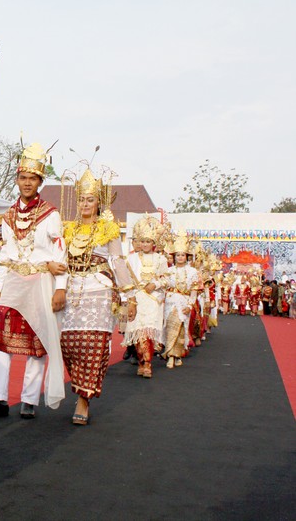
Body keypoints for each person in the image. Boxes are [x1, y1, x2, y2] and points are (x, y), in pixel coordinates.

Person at [0, 143, 66, 419]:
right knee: (2, 342)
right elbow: (6, 254)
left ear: (40, 182)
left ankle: (29, 400)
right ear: (17, 180)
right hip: (13, 281)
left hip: (40, 282)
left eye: (33, 179)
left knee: (36, 341)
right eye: (23, 178)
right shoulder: (9, 215)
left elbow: (60, 254)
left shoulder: (51, 214)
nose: (27, 183)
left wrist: (60, 289)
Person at [61, 167, 135, 426]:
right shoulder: (68, 230)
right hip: (72, 290)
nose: (84, 204)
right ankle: (79, 387)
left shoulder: (109, 229)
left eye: (90, 199)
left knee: (92, 344)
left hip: (99, 290)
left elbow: (118, 261)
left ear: (98, 203)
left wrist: (129, 296)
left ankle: (84, 399)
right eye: (81, 199)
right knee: (69, 344)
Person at [122, 215, 167, 378]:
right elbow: (125, 279)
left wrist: (155, 284)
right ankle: (141, 361)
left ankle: (147, 363)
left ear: (154, 243)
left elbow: (166, 277)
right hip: (136, 298)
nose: (145, 244)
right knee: (138, 332)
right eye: (143, 241)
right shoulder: (131, 259)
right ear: (139, 242)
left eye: (149, 241)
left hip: (153, 299)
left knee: (147, 333)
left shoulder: (161, 259)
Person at [162, 233, 199, 368]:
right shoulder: (168, 271)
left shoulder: (192, 271)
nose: (180, 257)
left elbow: (194, 290)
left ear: (187, 256)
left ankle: (178, 354)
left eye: (183, 255)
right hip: (170, 302)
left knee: (181, 329)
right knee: (170, 327)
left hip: (184, 301)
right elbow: (164, 286)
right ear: (174, 257)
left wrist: (190, 305)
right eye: (178, 255)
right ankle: (170, 355)